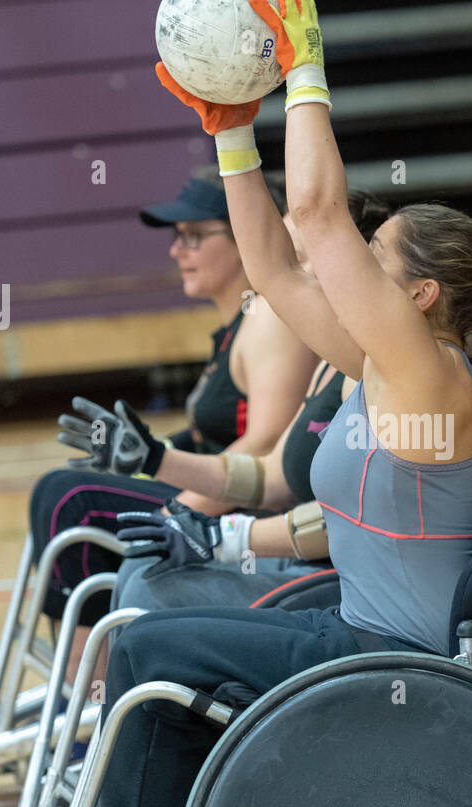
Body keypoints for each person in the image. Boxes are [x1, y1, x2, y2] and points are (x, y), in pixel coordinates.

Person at [96, 0, 472, 807]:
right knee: (157, 645)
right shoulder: (383, 366)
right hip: (351, 632)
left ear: (420, 297)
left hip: (387, 661)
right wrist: (229, 133)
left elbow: (318, 218)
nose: (354, 258)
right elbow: (273, 268)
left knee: (143, 643)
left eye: (378, 253)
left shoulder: (432, 377)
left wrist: (305, 65)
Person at [28, 169, 317, 637]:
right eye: (178, 237)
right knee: (63, 492)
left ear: (246, 233)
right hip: (225, 494)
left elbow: (265, 442)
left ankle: (86, 694)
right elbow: (211, 437)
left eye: (195, 236)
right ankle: (73, 689)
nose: (176, 250)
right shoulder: (239, 324)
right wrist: (149, 454)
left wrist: (174, 515)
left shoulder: (268, 317)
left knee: (70, 499)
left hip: (250, 510)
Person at [109, 190, 392, 615]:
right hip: (297, 559)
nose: (287, 278)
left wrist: (225, 536)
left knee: (147, 588)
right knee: (144, 567)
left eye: (299, 260)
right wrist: (154, 460)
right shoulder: (330, 365)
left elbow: (353, 521)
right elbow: (267, 477)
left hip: (347, 590)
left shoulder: (385, 373)